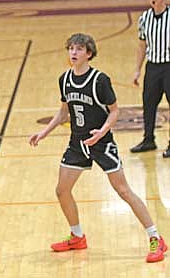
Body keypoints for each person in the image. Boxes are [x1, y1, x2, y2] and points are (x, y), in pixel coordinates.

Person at [29, 33, 167, 262]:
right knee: (62, 190)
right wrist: (43, 133)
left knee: (123, 191)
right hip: (78, 143)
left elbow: (115, 111)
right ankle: (77, 236)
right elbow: (64, 112)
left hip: (101, 143)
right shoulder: (64, 79)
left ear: (89, 53)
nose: (73, 52)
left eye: (79, 49)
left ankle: (156, 238)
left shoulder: (100, 80)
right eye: (71, 48)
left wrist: (102, 132)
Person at [130, 0, 170, 158]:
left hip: (169, 66)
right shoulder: (144, 18)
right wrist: (137, 69)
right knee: (149, 104)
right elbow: (141, 45)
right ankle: (148, 139)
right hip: (152, 67)